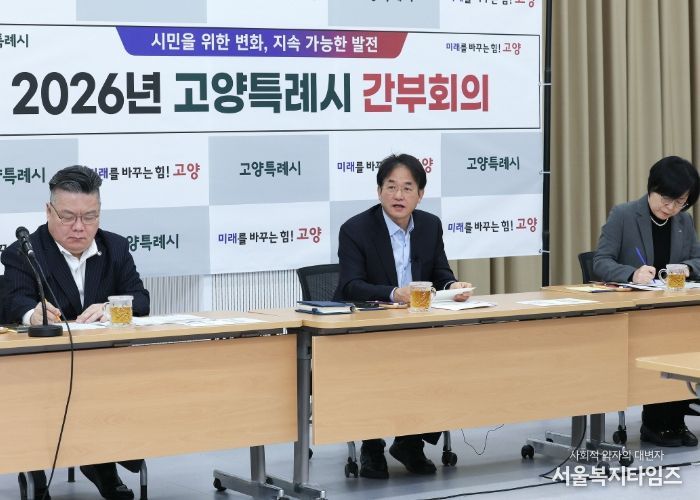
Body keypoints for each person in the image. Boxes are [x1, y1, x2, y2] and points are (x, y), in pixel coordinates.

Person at [1, 165, 150, 500]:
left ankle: (102, 460)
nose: (80, 227)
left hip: (103, 366)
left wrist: (111, 309)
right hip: (43, 369)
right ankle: (39, 470)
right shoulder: (24, 251)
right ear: (49, 211)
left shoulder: (115, 247)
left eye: (90, 217)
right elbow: (13, 301)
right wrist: (32, 314)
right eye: (68, 217)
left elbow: (141, 299)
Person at [334, 153, 473, 479]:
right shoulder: (355, 229)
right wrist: (394, 293)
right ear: (379, 191)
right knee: (374, 366)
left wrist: (453, 286)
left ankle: (410, 442)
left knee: (441, 356)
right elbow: (350, 286)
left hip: (416, 326)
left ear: (420, 194)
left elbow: (441, 274)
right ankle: (371, 446)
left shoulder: (429, 226)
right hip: (368, 328)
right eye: (391, 187)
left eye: (407, 188)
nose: (399, 195)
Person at [593, 155, 700, 448]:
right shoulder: (624, 215)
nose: (672, 208)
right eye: (667, 199)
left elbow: (697, 259)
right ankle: (654, 424)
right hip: (638, 311)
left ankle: (675, 421)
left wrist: (687, 268)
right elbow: (600, 261)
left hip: (674, 309)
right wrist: (632, 273)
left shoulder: (684, 221)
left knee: (683, 347)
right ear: (652, 188)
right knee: (658, 348)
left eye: (681, 202)